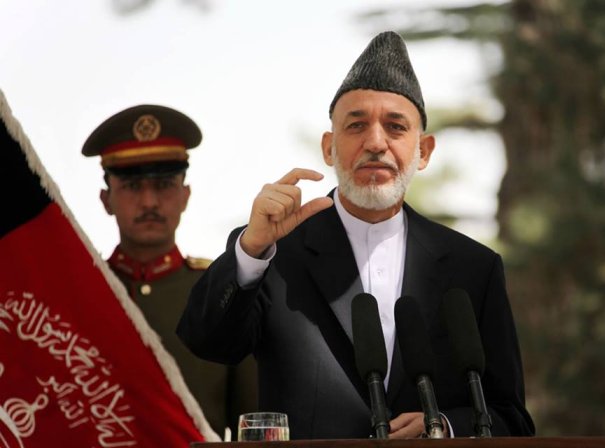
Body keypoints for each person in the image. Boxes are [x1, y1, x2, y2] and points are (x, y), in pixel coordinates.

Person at [177, 31, 535, 439]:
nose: (376, 143)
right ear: (329, 147)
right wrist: (252, 249)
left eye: (395, 127)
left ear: (424, 151)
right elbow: (208, 342)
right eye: (357, 125)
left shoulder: (473, 268)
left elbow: (512, 418)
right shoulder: (275, 254)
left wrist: (444, 427)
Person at [82, 105, 258, 439]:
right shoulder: (79, 292)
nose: (149, 201)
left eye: (163, 185)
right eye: (132, 186)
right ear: (106, 200)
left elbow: (252, 425)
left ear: (185, 196)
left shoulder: (223, 294)